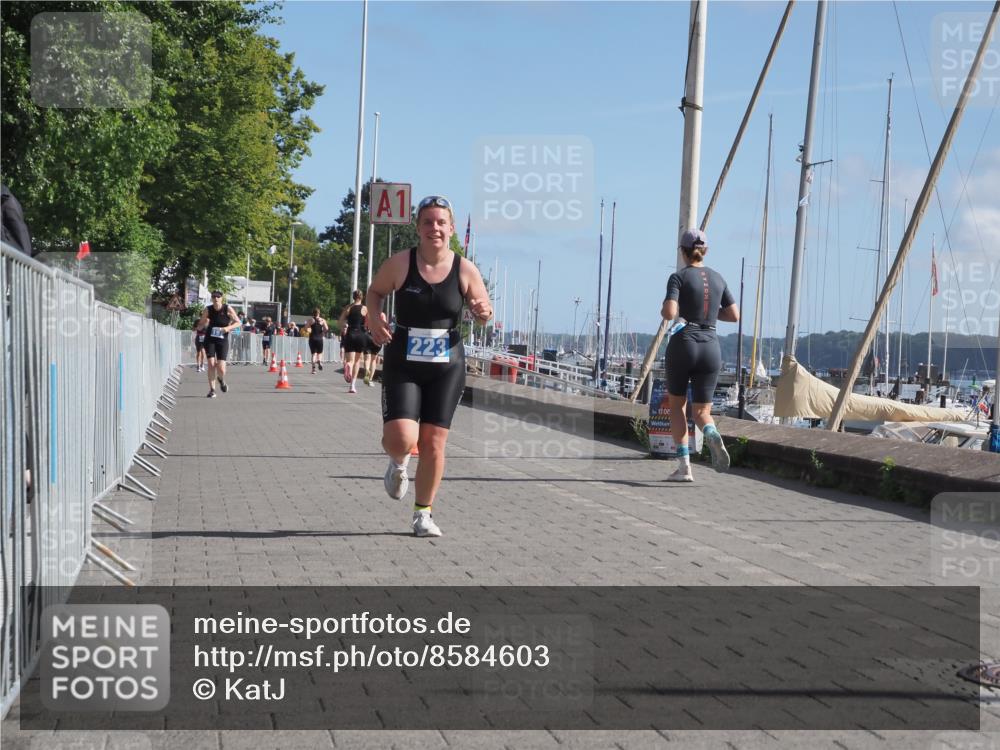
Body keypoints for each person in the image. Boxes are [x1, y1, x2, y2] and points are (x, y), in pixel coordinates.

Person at [367, 195, 492, 537]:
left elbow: (484, 310)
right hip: (403, 360)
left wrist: (483, 313)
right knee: (401, 439)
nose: (434, 228)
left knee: (434, 443)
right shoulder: (400, 264)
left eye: (441, 222)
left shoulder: (464, 269)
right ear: (418, 227)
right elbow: (374, 292)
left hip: (446, 364)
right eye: (427, 222)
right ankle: (397, 461)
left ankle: (423, 513)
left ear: (451, 229)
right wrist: (374, 318)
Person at [660, 229, 739, 482]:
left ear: (683, 252)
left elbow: (670, 312)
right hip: (711, 345)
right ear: (705, 251)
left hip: (685, 342)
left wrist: (672, 306)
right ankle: (711, 431)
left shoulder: (678, 277)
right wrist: (707, 313)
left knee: (677, 406)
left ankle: (684, 467)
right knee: (702, 412)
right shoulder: (718, 278)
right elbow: (734, 315)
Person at [196, 290, 241, 398]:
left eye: (218, 297)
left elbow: (238, 322)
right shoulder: (208, 309)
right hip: (210, 339)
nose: (216, 298)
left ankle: (221, 379)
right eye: (214, 297)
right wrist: (200, 327)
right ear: (211, 298)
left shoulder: (227, 308)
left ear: (222, 298)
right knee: (211, 364)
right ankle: (212, 390)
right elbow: (201, 323)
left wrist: (227, 328)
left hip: (222, 340)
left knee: (221, 368)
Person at [338, 290, 369, 394]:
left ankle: (348, 366)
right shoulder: (365, 308)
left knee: (350, 361)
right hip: (361, 335)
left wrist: (344, 327)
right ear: (362, 297)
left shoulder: (348, 308)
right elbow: (369, 322)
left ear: (353, 297)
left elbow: (340, 321)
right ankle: (352, 386)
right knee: (357, 361)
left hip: (350, 334)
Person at [306, 307, 329, 374]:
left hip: (312, 338)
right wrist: (323, 333)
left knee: (313, 354)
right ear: (319, 313)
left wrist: (309, 330)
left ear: (313, 313)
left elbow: (306, 328)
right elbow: (326, 328)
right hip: (319, 338)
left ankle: (313, 369)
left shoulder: (310, 320)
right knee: (320, 353)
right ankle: (319, 360)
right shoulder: (322, 320)